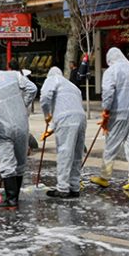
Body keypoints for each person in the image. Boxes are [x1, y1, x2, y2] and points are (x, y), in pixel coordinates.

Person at [0, 59, 37, 209]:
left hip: (2, 127)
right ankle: (15, 197)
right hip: (21, 124)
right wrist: (23, 105)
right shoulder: (13, 75)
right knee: (20, 161)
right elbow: (32, 88)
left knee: (7, 162)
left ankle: (11, 201)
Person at [89, 47, 129, 191]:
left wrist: (106, 110)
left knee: (111, 144)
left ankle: (104, 177)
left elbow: (108, 92)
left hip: (118, 113)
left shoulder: (111, 71)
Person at [40, 66, 87, 198]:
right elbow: (67, 105)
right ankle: (74, 187)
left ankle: (63, 188)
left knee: (65, 153)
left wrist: (46, 114)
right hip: (81, 118)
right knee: (76, 154)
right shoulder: (72, 86)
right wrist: (51, 128)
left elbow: (44, 97)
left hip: (66, 119)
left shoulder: (52, 79)